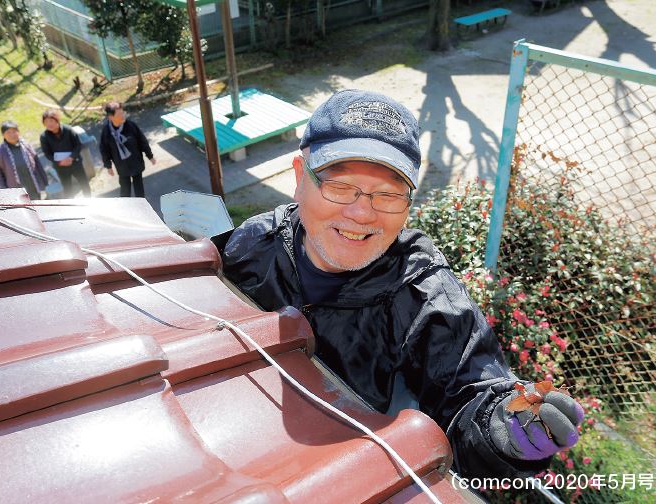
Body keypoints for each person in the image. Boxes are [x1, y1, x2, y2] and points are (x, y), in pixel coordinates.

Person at [215, 90, 584, 479]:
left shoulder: (427, 297)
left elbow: (469, 395)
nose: (361, 213)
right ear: (298, 177)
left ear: (408, 204)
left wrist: (501, 430)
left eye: (388, 194)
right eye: (339, 185)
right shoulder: (256, 241)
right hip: (239, 444)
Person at [98, 101, 156, 198]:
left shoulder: (131, 125)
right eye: (120, 114)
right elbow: (104, 150)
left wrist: (150, 155)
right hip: (121, 166)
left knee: (139, 189)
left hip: (136, 163)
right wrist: (108, 166)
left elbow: (142, 141)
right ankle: (126, 209)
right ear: (111, 117)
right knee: (125, 191)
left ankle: (142, 208)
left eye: (123, 112)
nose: (123, 115)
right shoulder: (106, 132)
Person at [39, 109, 91, 198]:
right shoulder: (44, 136)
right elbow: (47, 153)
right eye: (46, 122)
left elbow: (78, 145)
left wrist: (71, 158)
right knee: (67, 189)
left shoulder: (68, 130)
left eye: (51, 121)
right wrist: (60, 162)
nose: (49, 124)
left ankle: (89, 202)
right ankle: (70, 207)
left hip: (75, 163)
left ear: (57, 120)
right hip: (61, 167)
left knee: (84, 184)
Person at [0, 120, 48, 200]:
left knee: (37, 204)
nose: (12, 135)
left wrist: (44, 180)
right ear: (3, 135)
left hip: (33, 185)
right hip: (16, 189)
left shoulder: (26, 145)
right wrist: (4, 191)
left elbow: (37, 162)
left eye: (14, 131)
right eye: (8, 132)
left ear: (18, 132)